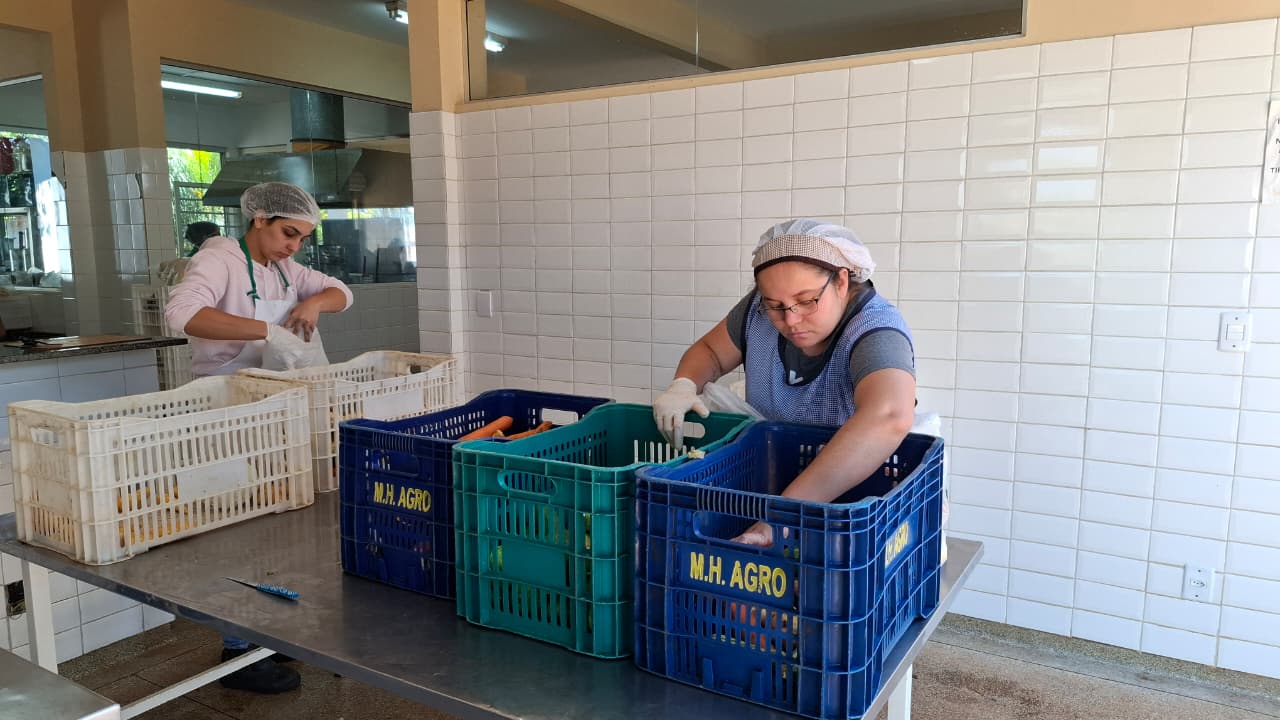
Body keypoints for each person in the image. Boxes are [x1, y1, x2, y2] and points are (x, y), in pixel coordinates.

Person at [164, 182, 353, 693]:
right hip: (225, 409)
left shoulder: (285, 269)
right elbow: (182, 315)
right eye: (288, 233)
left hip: (274, 410)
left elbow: (341, 292)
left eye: (302, 239)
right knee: (235, 529)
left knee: (280, 520)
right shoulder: (219, 259)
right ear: (260, 218)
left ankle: (273, 630)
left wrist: (314, 306)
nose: (295, 246)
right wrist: (265, 331)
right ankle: (238, 650)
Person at [653, 218, 917, 547]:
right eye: (775, 306)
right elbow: (711, 351)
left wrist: (781, 517)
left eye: (806, 301)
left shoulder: (875, 331)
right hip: (771, 479)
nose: (790, 320)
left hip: (852, 499)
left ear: (841, 281)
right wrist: (685, 383)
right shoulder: (757, 311)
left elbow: (889, 416)